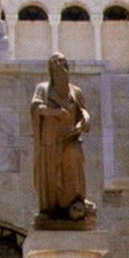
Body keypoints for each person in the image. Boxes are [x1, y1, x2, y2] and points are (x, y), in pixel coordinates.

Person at [31, 53, 95, 224]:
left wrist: (85, 120)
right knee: (50, 174)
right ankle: (49, 209)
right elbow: (36, 107)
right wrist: (56, 113)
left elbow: (84, 111)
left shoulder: (75, 91)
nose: (59, 65)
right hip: (50, 141)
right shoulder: (43, 89)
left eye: (63, 62)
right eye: (55, 62)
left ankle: (74, 202)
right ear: (50, 68)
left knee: (74, 160)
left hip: (70, 137)